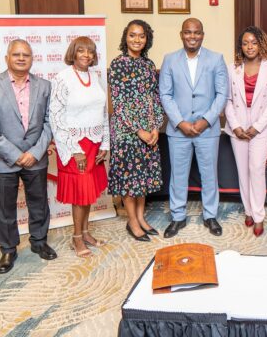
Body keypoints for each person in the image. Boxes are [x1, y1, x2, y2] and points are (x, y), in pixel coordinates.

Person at [0, 40, 56, 273]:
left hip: (35, 157)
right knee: (5, 208)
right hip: (1, 160)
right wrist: (15, 155)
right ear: (7, 58)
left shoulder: (45, 86)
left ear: (32, 59)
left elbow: (50, 122)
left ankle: (39, 242)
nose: (21, 58)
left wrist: (35, 152)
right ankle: (8, 249)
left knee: (39, 203)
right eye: (16, 54)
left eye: (26, 55)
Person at [159, 18, 228, 238]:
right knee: (178, 176)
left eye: (196, 32)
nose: (192, 36)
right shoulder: (170, 60)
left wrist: (205, 120)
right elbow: (165, 94)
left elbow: (222, 94)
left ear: (202, 35)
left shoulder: (216, 59)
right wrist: (180, 122)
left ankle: (210, 215)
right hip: (178, 130)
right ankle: (178, 217)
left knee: (209, 175)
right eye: (188, 32)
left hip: (207, 129)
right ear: (181, 34)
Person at [50, 36, 109, 258]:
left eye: (90, 51)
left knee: (88, 191)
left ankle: (85, 233)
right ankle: (76, 238)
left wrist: (105, 142)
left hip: (95, 142)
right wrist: (74, 149)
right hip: (75, 144)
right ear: (73, 53)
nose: (86, 55)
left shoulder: (96, 77)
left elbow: (103, 112)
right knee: (80, 193)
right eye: (81, 50)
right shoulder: (62, 78)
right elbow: (56, 117)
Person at [108, 20, 164, 242]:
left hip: (148, 130)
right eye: (132, 35)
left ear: (147, 39)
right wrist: (138, 130)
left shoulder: (149, 65)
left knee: (142, 178)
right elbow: (119, 103)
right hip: (126, 132)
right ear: (126, 37)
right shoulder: (118, 64)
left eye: (141, 35)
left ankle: (141, 217)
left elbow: (154, 98)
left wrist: (155, 126)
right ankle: (132, 221)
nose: (137, 39)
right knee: (129, 179)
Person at [224, 26, 267, 237]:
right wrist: (236, 126)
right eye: (245, 43)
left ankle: (258, 216)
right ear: (240, 46)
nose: (250, 47)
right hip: (237, 125)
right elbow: (227, 100)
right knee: (243, 171)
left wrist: (256, 127)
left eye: (254, 43)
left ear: (261, 44)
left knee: (256, 169)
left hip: (261, 126)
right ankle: (247, 210)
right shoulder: (232, 68)